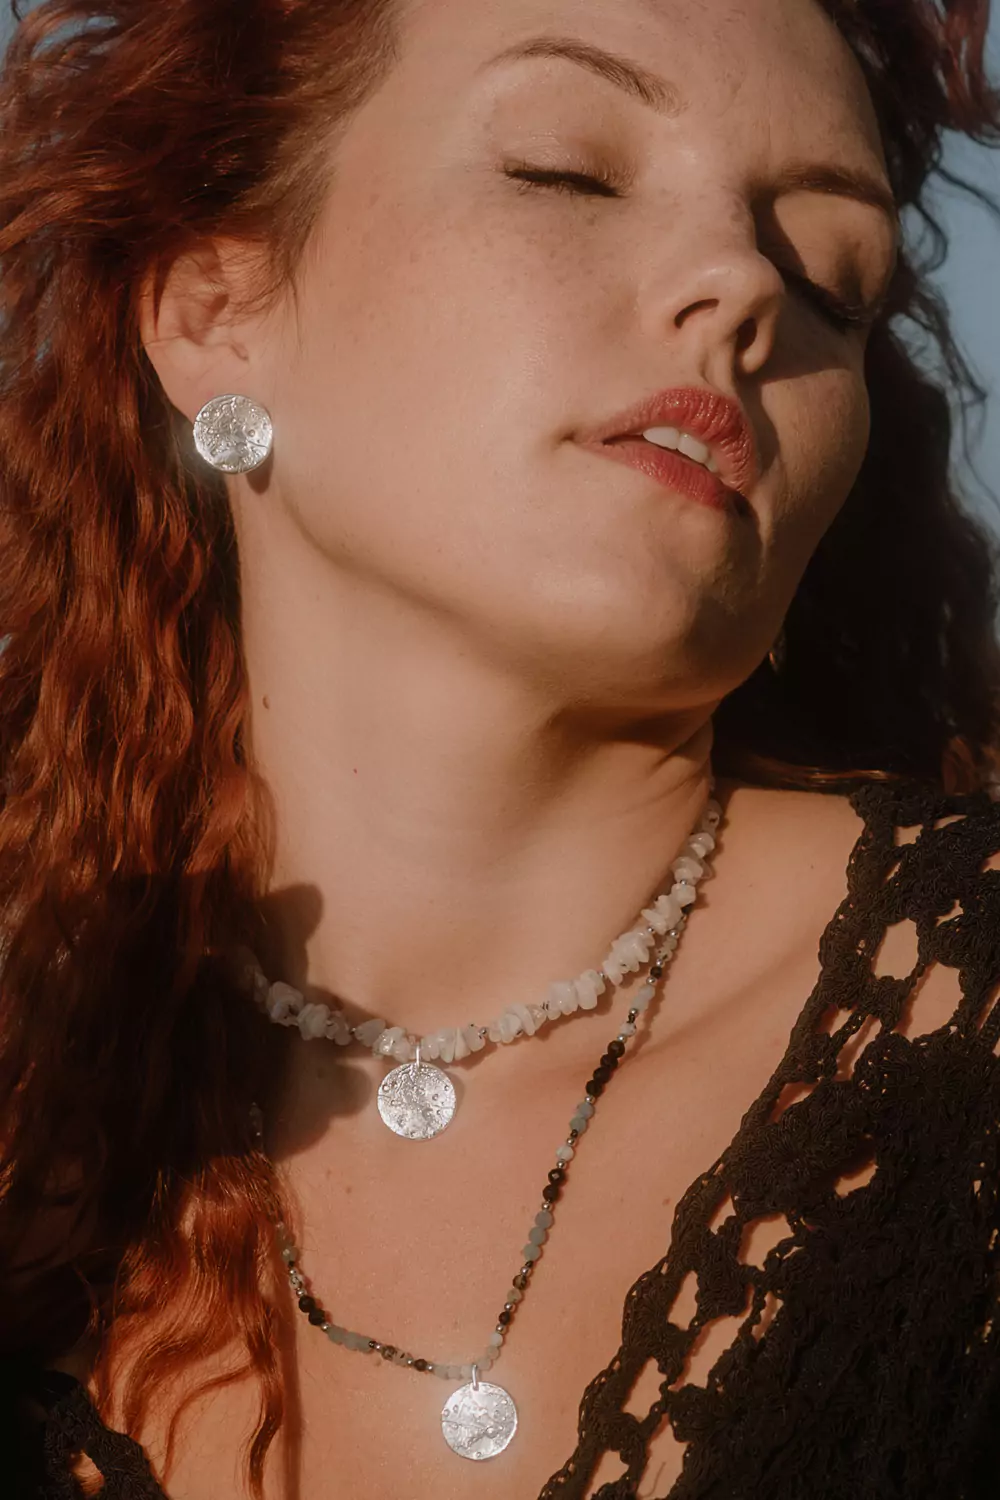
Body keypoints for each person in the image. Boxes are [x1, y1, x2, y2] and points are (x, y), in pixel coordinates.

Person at [2, 0, 1000, 1495]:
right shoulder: (36, 1111)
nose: (745, 283)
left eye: (829, 278)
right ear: (215, 313)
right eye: (566, 169)